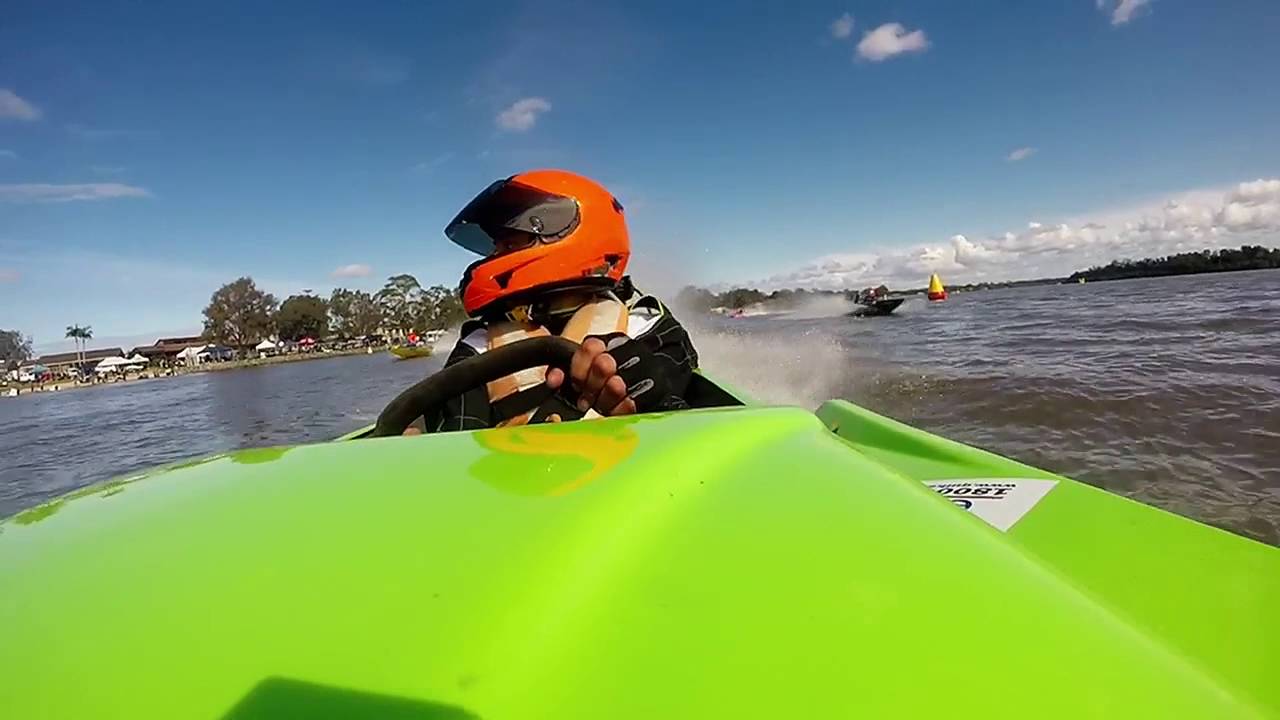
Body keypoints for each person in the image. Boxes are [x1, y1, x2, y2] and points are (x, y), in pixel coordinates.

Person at [414, 169, 699, 434]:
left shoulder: (647, 327)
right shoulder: (477, 345)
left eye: (511, 244)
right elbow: (457, 441)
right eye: (496, 248)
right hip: (514, 484)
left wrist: (655, 399)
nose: (493, 258)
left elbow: (688, 415)